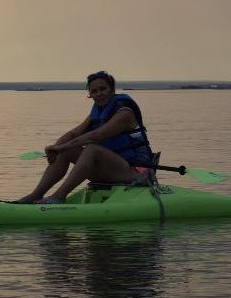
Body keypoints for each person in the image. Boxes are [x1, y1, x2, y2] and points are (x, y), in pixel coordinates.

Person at [15, 70, 153, 204]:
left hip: (135, 172)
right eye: (94, 91)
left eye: (102, 89)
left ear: (112, 89)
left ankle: (59, 196)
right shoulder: (97, 113)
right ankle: (36, 194)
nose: (99, 94)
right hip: (111, 169)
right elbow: (73, 134)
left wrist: (60, 147)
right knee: (66, 151)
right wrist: (56, 149)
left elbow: (94, 136)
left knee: (91, 149)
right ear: (90, 95)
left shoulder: (125, 113)